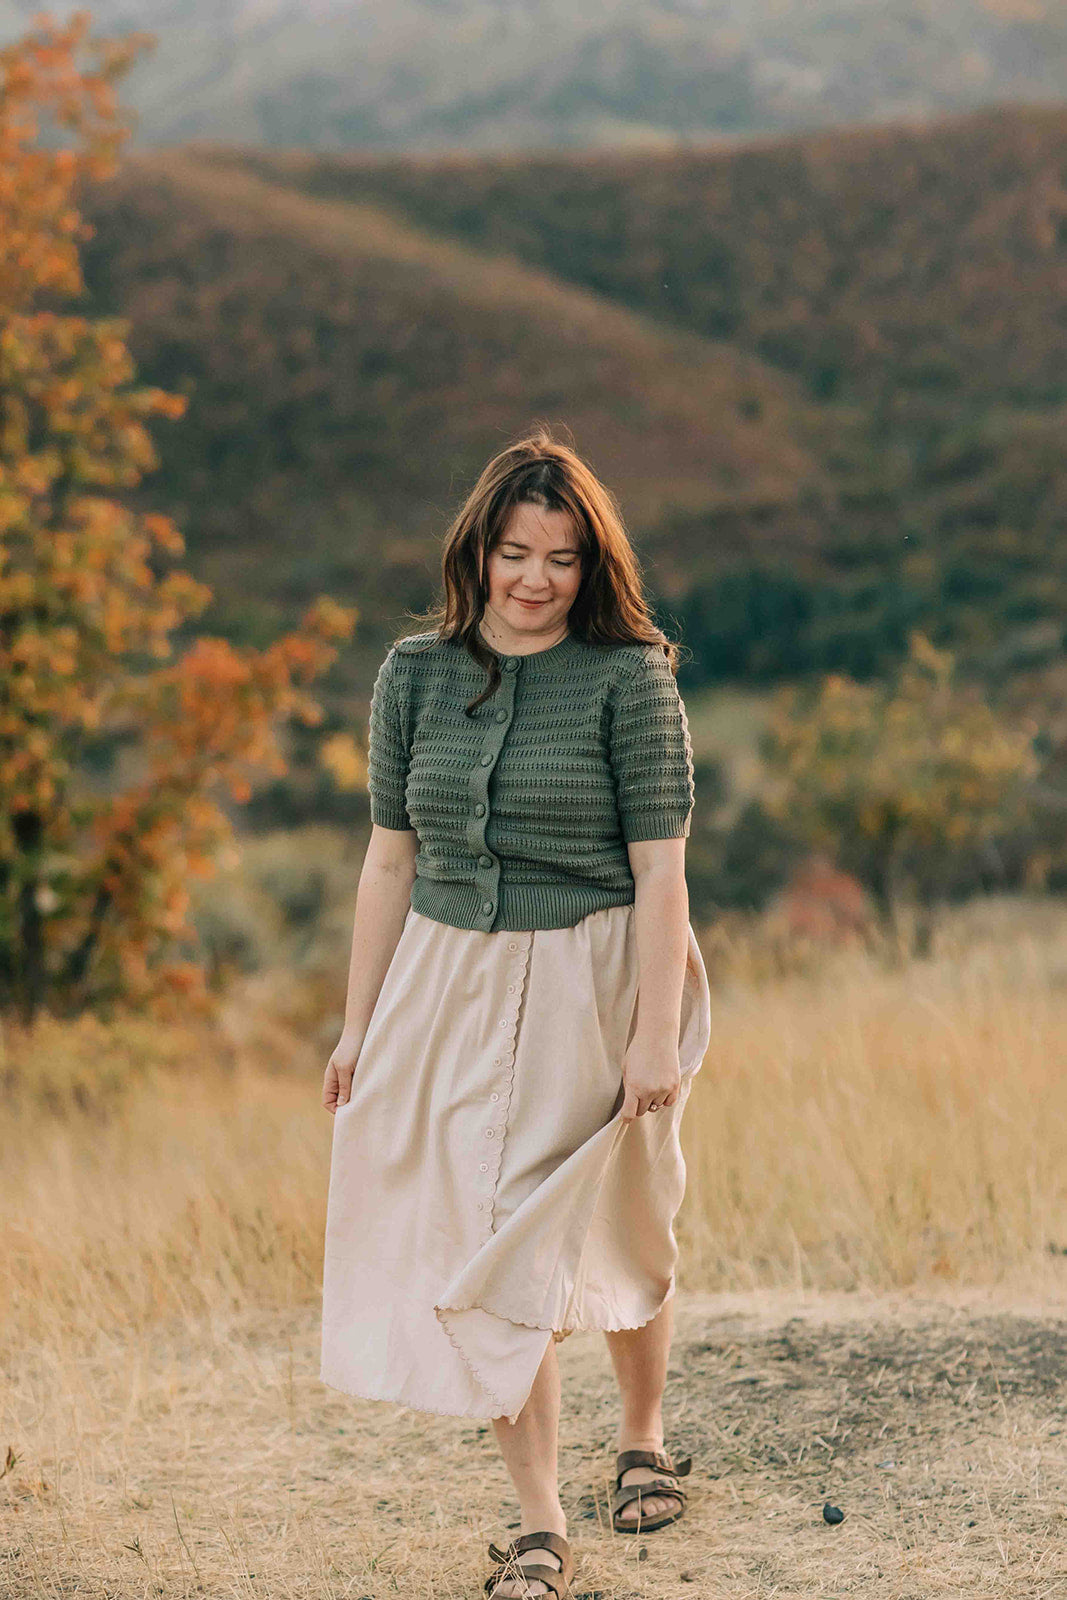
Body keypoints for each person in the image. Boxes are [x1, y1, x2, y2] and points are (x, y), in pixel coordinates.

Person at [319, 428, 712, 1599]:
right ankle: (538, 1523)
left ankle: (640, 1432)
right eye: (514, 551)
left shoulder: (629, 675)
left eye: (561, 558)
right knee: (487, 1243)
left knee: (619, 1223)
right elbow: (387, 862)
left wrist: (650, 1032)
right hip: (447, 982)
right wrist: (357, 1025)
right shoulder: (414, 674)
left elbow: (661, 871)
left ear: (593, 567)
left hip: (597, 975)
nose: (534, 578)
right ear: (477, 551)